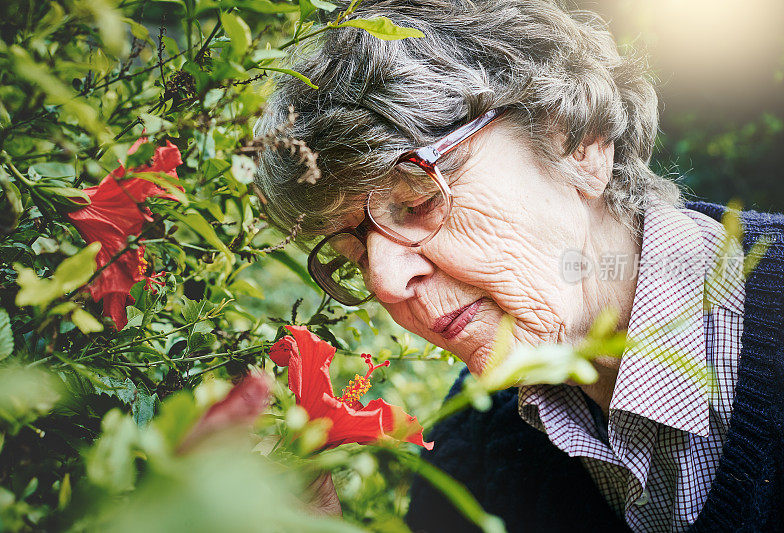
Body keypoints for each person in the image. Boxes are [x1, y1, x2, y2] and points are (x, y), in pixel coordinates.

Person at [253, 1, 784, 531]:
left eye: (415, 203)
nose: (386, 283)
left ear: (579, 144)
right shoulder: (475, 445)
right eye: (355, 257)